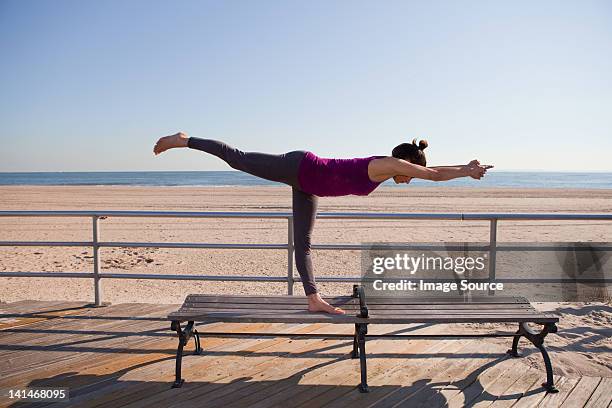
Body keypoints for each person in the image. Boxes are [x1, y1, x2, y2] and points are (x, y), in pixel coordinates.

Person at [153, 132, 493, 314]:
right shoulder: (389, 163)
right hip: (302, 168)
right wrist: (466, 170)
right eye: (410, 174)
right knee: (238, 159)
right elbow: (432, 175)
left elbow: (430, 171)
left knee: (304, 244)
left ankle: (313, 297)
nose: (410, 180)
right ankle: (184, 140)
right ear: (405, 164)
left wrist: (464, 165)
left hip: (308, 185)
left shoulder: (392, 166)